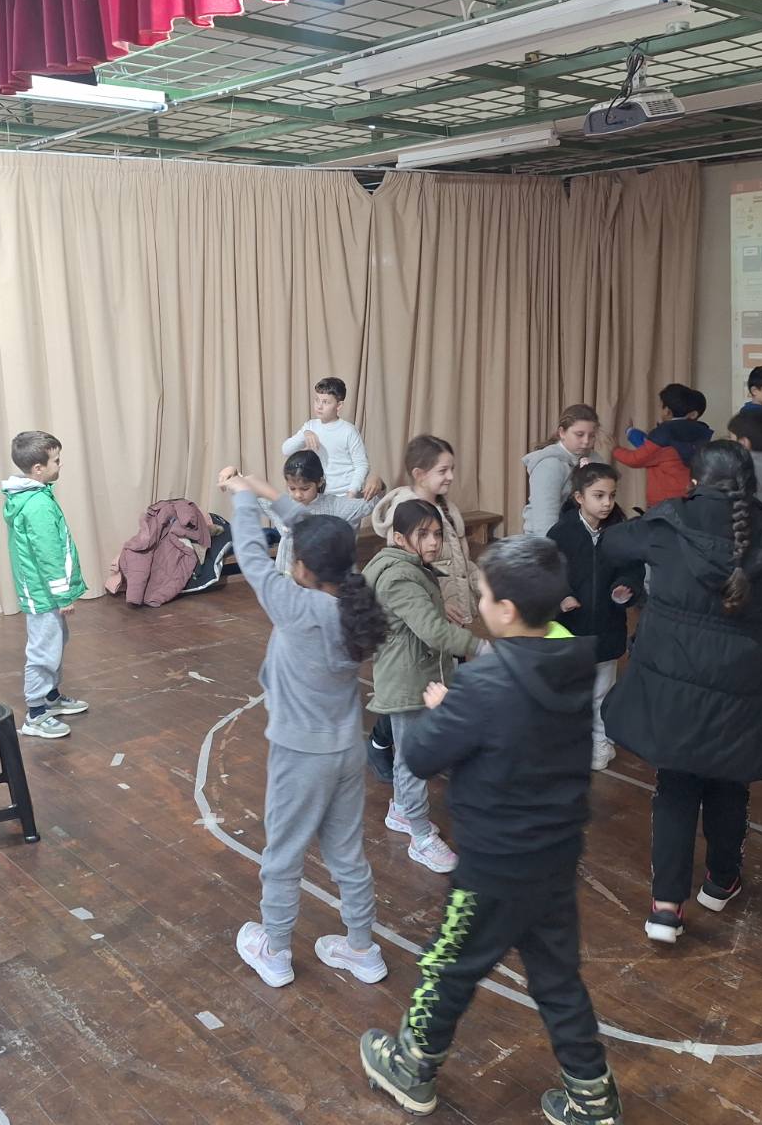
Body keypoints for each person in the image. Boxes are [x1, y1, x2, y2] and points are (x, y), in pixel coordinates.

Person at [359, 536, 622, 1125]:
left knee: (447, 965)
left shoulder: (484, 684)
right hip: (555, 856)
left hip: (493, 865)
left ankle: (411, 1067)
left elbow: (420, 756)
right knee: (556, 978)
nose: (478, 604)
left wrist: (444, 709)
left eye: (481, 595)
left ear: (505, 610)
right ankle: (593, 1096)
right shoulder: (571, 665)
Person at [599, 441, 762, 944]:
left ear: (693, 481)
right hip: (742, 682)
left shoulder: (668, 523)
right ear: (750, 485)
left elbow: (610, 546)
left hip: (673, 681)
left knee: (675, 785)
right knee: (730, 782)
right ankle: (720, 881)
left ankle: (666, 907)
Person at [218, 466, 389, 988]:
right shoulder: (354, 600)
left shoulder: (296, 606)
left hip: (300, 756)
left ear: (301, 568)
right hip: (346, 751)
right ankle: (362, 949)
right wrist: (263, 491)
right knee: (346, 854)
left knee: (283, 856)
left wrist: (242, 499)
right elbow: (316, 536)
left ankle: (274, 951)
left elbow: (251, 556)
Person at [365, 499, 484, 874]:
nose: (433, 542)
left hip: (414, 673)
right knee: (413, 760)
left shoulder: (410, 566)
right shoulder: (400, 577)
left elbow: (415, 615)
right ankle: (419, 837)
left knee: (409, 755)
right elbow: (432, 632)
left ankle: (402, 811)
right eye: (423, 534)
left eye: (437, 533)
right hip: (407, 681)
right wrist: (481, 646)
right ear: (400, 538)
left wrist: (435, 607)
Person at [548, 463, 642, 771]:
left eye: (611, 496)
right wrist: (561, 595)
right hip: (570, 630)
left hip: (606, 629)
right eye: (598, 495)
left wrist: (624, 588)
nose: (606, 503)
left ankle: (601, 741)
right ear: (579, 497)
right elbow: (547, 573)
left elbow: (632, 570)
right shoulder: (561, 533)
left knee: (603, 692)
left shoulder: (621, 532)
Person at [2, 431, 90, 738]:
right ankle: (36, 714)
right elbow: (49, 554)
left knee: (55, 641)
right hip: (43, 594)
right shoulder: (37, 504)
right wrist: (63, 594)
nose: (60, 465)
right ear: (38, 468)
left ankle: (50, 698)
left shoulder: (34, 496)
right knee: (43, 650)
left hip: (43, 591)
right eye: (56, 460)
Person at [373, 435, 480, 626]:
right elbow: (402, 574)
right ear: (419, 474)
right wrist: (436, 604)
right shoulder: (404, 513)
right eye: (443, 471)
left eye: (452, 469)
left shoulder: (449, 509)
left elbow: (462, 561)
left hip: (455, 615)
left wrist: (485, 586)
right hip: (428, 620)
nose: (451, 477)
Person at [266, 450, 381, 575]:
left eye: (305, 488)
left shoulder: (335, 506)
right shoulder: (284, 505)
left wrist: (377, 481)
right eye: (292, 488)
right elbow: (257, 499)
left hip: (321, 580)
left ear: (320, 481)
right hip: (285, 579)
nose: (298, 494)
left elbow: (373, 503)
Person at [611, 383, 712, 510]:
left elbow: (637, 458)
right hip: (693, 499)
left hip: (664, 503)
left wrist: (616, 449)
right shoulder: (702, 434)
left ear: (667, 411)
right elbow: (650, 448)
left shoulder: (663, 435)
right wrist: (631, 433)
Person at [280, 376, 369, 498]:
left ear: (339, 405)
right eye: (317, 400)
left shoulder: (349, 431)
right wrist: (305, 434)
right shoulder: (310, 426)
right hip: (319, 495)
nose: (319, 406)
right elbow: (286, 450)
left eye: (325, 402)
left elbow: (362, 465)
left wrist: (352, 492)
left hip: (344, 495)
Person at [522, 404, 600, 537]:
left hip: (582, 535)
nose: (586, 441)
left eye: (592, 436)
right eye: (579, 435)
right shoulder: (549, 465)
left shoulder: (595, 459)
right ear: (562, 433)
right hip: (548, 538)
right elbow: (545, 519)